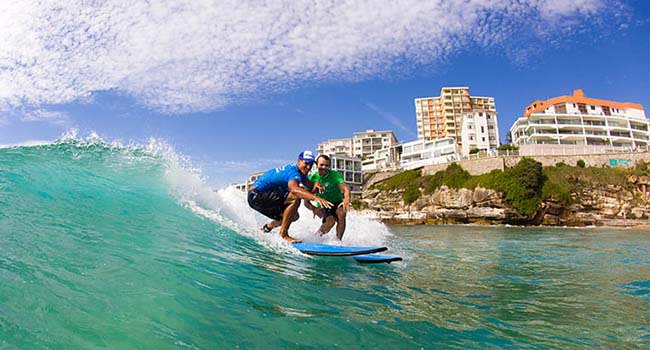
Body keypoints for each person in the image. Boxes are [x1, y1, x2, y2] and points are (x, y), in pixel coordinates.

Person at [247, 151, 333, 243]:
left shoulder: (301, 173)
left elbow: (309, 188)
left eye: (311, 164)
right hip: (257, 195)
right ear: (299, 161)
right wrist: (316, 198)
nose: (308, 167)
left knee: (293, 216)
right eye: (306, 163)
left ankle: (267, 227)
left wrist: (316, 185)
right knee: (295, 197)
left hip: (260, 197)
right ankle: (283, 234)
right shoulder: (293, 172)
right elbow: (294, 190)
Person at [304, 154, 351, 240]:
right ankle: (316, 238)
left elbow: (345, 188)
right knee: (330, 222)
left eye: (327, 165)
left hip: (337, 201)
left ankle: (338, 241)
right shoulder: (312, 178)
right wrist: (313, 208)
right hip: (323, 204)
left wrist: (347, 199)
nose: (324, 167)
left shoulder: (334, 175)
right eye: (322, 165)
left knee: (342, 213)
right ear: (316, 165)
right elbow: (305, 201)